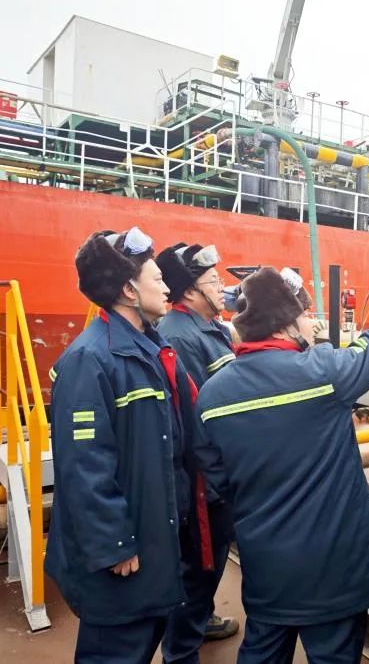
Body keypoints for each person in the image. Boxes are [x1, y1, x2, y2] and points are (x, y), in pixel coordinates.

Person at [193, 266, 369, 663]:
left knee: (262, 647)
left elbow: (216, 476)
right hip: (334, 572)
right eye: (304, 315)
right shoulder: (323, 373)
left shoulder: (211, 395)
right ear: (286, 325)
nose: (309, 322)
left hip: (266, 565)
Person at [45, 227, 208, 663]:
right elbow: (84, 465)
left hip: (153, 540)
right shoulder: (89, 360)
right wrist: (113, 543)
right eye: (158, 279)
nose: (167, 287)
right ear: (129, 290)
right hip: (122, 557)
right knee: (115, 651)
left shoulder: (150, 347)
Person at [154, 242, 239, 660]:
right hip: (204, 479)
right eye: (213, 281)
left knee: (212, 560)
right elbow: (198, 415)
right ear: (189, 291)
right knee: (198, 565)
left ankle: (200, 620)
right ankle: (182, 646)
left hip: (217, 473)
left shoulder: (208, 328)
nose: (222, 287)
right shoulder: (180, 335)